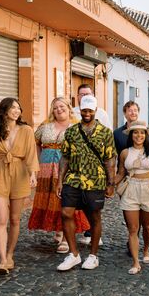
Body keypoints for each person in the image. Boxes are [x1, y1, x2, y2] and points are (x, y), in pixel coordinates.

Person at [0, 98, 39, 275]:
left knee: (15, 219)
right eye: (13, 108)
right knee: (1, 220)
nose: (17, 111)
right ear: (4, 111)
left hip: (20, 174)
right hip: (0, 173)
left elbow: (32, 154)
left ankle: (10, 254)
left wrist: (33, 174)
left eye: (19, 108)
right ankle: (2, 260)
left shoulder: (26, 130)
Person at [56, 95, 116, 272]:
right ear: (80, 110)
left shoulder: (105, 133)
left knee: (94, 217)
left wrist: (111, 183)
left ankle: (93, 255)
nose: (87, 113)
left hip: (95, 180)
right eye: (84, 110)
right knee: (66, 213)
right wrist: (60, 180)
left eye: (90, 110)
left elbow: (110, 159)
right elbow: (65, 157)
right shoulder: (72, 131)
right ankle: (74, 255)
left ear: (95, 111)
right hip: (73, 178)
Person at [27, 97, 89, 253]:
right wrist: (38, 162)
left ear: (69, 108)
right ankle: (60, 230)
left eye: (61, 106)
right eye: (55, 108)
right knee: (52, 201)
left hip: (67, 169)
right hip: (46, 170)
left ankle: (65, 239)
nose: (58, 110)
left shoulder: (77, 127)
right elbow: (35, 143)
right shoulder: (45, 126)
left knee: (66, 201)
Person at [114, 120, 149, 274]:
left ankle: (145, 251)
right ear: (131, 135)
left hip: (148, 188)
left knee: (146, 225)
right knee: (132, 229)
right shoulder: (125, 152)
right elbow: (120, 173)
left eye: (142, 132)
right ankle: (135, 262)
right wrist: (108, 184)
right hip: (130, 189)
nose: (139, 135)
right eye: (135, 132)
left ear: (146, 135)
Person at [74, 84, 110, 247]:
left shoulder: (101, 113)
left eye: (87, 94)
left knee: (93, 202)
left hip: (96, 166)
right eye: (81, 94)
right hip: (77, 165)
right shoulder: (73, 112)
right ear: (77, 96)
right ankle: (82, 229)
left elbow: (108, 138)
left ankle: (93, 233)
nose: (84, 96)